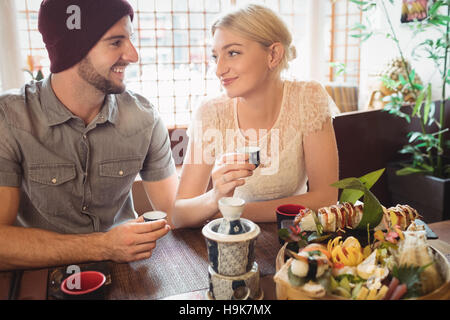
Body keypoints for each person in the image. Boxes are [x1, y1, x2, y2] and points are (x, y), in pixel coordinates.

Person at [0, 0, 178, 271]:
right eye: (116, 42)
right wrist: (104, 245)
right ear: (74, 50)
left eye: (129, 39)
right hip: (40, 277)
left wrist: (218, 195)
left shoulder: (144, 117)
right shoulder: (9, 118)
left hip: (126, 273)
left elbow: (173, 210)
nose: (133, 55)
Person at [172, 4, 339, 228]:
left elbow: (325, 199)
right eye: (215, 56)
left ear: (273, 55)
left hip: (291, 238)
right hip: (230, 240)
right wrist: (214, 198)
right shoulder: (211, 112)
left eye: (232, 53)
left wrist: (229, 211)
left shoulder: (308, 98)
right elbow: (179, 214)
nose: (219, 69)